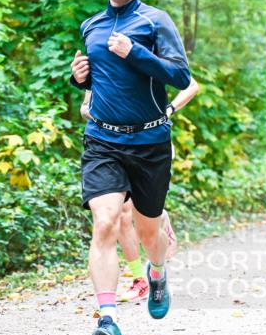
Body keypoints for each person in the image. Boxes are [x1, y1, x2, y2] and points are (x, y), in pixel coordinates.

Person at [69, 0, 194, 335]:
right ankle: (107, 319)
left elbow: (179, 75)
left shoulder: (155, 21)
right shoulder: (92, 25)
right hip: (103, 139)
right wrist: (79, 79)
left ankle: (156, 271)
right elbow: (101, 83)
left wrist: (137, 53)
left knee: (148, 231)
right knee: (104, 222)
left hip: (149, 141)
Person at [79, 78, 199, 302]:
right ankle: (139, 280)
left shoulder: (151, 52)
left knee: (142, 221)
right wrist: (100, 115)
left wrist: (169, 109)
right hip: (110, 145)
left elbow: (191, 84)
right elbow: (85, 107)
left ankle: (158, 221)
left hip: (150, 143)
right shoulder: (101, 61)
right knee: (119, 216)